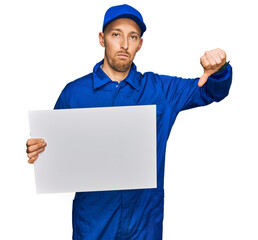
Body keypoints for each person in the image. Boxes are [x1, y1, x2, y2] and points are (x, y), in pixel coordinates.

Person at [26, 4, 232, 240]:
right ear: (102, 39)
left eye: (132, 36)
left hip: (144, 225)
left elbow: (210, 92)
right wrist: (38, 150)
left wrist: (220, 71)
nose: (124, 44)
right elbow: (56, 155)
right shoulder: (74, 94)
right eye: (116, 34)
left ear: (140, 44)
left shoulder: (160, 91)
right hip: (94, 225)